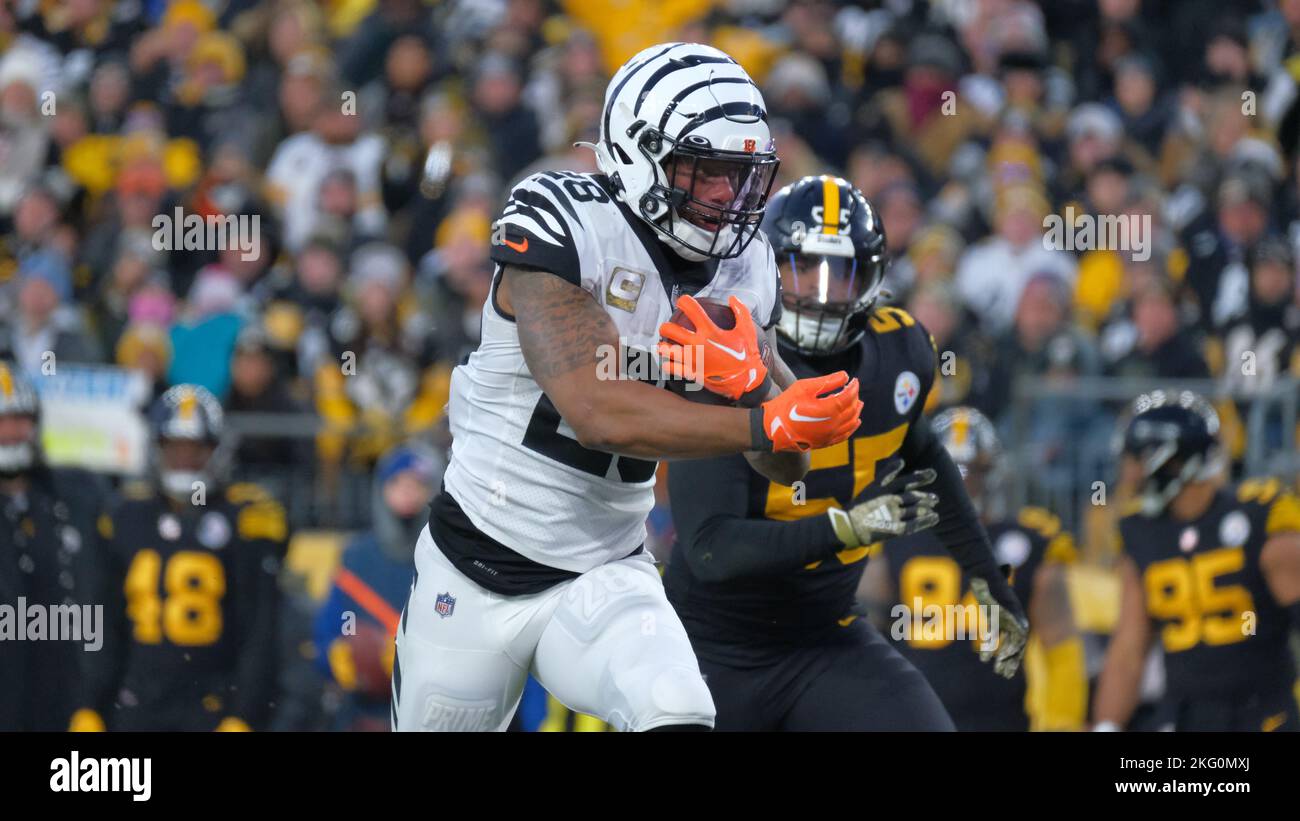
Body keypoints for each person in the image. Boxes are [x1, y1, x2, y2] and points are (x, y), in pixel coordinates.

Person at [393, 42, 864, 733]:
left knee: (676, 710)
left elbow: (785, 464)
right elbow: (595, 410)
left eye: (740, 176)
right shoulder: (561, 218)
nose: (725, 197)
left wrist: (755, 383)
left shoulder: (746, 266)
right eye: (706, 171)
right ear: (642, 151)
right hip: (473, 567)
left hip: (603, 570)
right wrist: (761, 419)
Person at [662, 176, 1029, 731]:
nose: (822, 290)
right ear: (767, 268)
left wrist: (986, 578)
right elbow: (710, 547)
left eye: (842, 271)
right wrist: (844, 530)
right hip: (712, 647)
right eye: (804, 267)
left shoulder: (899, 351)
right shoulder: (726, 360)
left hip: (825, 635)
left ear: (873, 277)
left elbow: (924, 455)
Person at [73, 384, 286, 731]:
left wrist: (244, 712)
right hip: (136, 701)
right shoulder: (126, 514)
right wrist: (89, 703)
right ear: (156, 447)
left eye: (196, 448)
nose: (184, 458)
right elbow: (103, 621)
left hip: (211, 703)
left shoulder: (245, 516)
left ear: (217, 449)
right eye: (174, 447)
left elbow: (259, 629)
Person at [867, 406, 1087, 731]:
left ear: (993, 473)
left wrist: (1063, 724)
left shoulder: (1029, 542)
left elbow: (1062, 645)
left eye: (972, 471)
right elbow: (862, 639)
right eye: (950, 471)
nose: (962, 482)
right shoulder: (894, 540)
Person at [1093, 390, 1300, 731]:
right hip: (1186, 717)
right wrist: (1106, 727)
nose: (1128, 476)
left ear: (1167, 459)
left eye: (1134, 460)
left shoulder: (1262, 521)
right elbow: (1128, 650)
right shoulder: (1141, 533)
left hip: (1264, 715)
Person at [0, 362, 108, 730]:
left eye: (19, 419)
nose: (11, 431)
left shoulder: (73, 494)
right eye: (1, 420)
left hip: (62, 682)